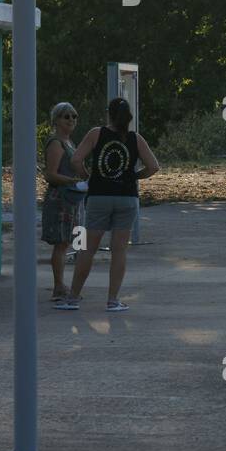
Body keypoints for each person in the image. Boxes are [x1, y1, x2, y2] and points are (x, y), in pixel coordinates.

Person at [56, 98, 160, 312]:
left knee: (87, 249)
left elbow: (76, 160)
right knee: (119, 250)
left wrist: (90, 176)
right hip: (127, 198)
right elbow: (153, 166)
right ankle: (113, 300)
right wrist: (134, 177)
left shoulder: (96, 134)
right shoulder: (135, 138)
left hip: (99, 196)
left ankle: (73, 298)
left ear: (109, 114)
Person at [41, 102, 87, 301]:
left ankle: (72, 287)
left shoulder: (70, 143)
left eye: (74, 116)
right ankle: (58, 286)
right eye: (66, 116)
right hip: (60, 199)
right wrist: (72, 181)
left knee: (77, 242)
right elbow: (50, 175)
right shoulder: (56, 143)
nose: (71, 120)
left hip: (75, 200)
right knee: (61, 244)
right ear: (56, 120)